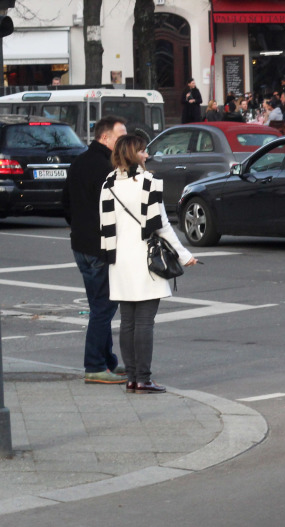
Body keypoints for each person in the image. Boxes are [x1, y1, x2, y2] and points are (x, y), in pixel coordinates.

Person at [99, 135, 197, 394]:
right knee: (144, 323)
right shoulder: (148, 183)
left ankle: (132, 378)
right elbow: (162, 225)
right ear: (134, 154)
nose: (146, 155)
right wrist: (185, 255)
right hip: (145, 260)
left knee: (127, 323)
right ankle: (143, 378)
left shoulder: (108, 184)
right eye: (143, 151)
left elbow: (105, 227)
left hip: (118, 261)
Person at [62, 114, 127, 385]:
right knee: (103, 308)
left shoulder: (79, 162)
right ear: (106, 138)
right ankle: (95, 365)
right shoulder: (106, 168)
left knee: (98, 307)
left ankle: (107, 360)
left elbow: (65, 203)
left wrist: (79, 226)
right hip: (101, 248)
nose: (125, 140)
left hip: (81, 246)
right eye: (121, 136)